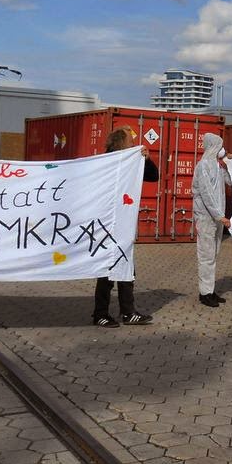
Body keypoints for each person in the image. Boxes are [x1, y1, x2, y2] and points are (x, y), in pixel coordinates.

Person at [92, 126, 158, 327]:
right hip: (107, 225)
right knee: (106, 271)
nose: (134, 144)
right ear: (121, 143)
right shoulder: (105, 163)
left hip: (123, 225)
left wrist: (145, 159)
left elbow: (153, 176)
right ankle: (100, 314)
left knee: (126, 267)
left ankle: (128, 312)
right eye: (130, 141)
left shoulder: (132, 161)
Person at [192, 133, 231, 307]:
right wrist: (219, 216)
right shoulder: (203, 166)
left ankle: (210, 289)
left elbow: (230, 182)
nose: (221, 149)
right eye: (220, 146)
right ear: (214, 146)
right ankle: (204, 293)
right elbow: (207, 193)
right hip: (207, 217)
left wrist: (231, 164)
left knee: (213, 254)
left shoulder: (218, 166)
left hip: (217, 217)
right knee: (206, 255)